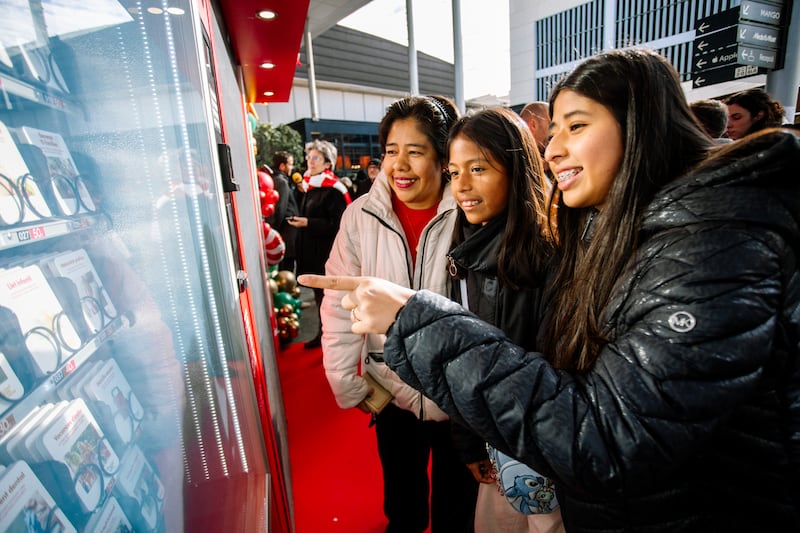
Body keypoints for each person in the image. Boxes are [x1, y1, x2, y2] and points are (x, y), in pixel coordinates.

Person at [300, 48, 800, 532]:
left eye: (576, 126)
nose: (554, 148)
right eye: (554, 130)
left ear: (641, 125)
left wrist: (419, 320)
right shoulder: (608, 228)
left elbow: (606, 437)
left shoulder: (707, 247)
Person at [320, 95, 478, 532]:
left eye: (415, 151)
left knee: (457, 512)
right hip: (391, 389)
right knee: (402, 508)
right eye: (391, 151)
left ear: (443, 157)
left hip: (460, 398)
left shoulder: (470, 211)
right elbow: (338, 301)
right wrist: (343, 379)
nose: (400, 165)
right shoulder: (360, 216)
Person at [445, 107, 561, 532]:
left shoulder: (553, 251)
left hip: (547, 447)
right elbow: (463, 357)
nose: (463, 186)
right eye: (454, 171)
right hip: (496, 445)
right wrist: (470, 439)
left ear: (516, 167)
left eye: (478, 168)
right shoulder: (464, 248)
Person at [287, 139, 351, 348]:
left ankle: (335, 336)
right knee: (318, 296)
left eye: (315, 158)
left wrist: (308, 222)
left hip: (326, 252)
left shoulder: (334, 189)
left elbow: (337, 224)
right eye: (308, 157)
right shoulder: (310, 186)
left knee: (331, 299)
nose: (310, 161)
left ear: (327, 164)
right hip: (309, 250)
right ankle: (324, 333)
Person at [265, 151, 299, 272]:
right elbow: (280, 209)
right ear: (282, 166)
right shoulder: (281, 182)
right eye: (290, 164)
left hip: (283, 234)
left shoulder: (277, 179)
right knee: (286, 269)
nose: (292, 167)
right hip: (285, 234)